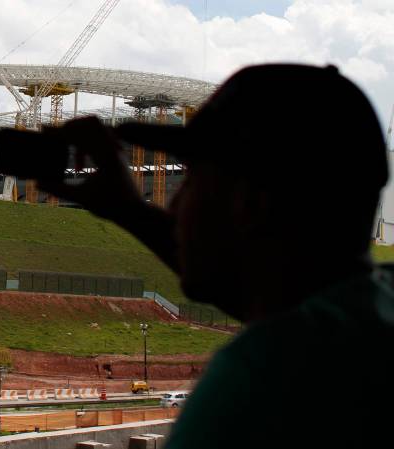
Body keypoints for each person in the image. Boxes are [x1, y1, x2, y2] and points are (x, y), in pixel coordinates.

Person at [24, 64, 394, 448]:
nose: (175, 202)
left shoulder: (263, 379)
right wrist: (127, 208)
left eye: (193, 178)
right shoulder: (370, 314)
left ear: (251, 202)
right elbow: (261, 292)